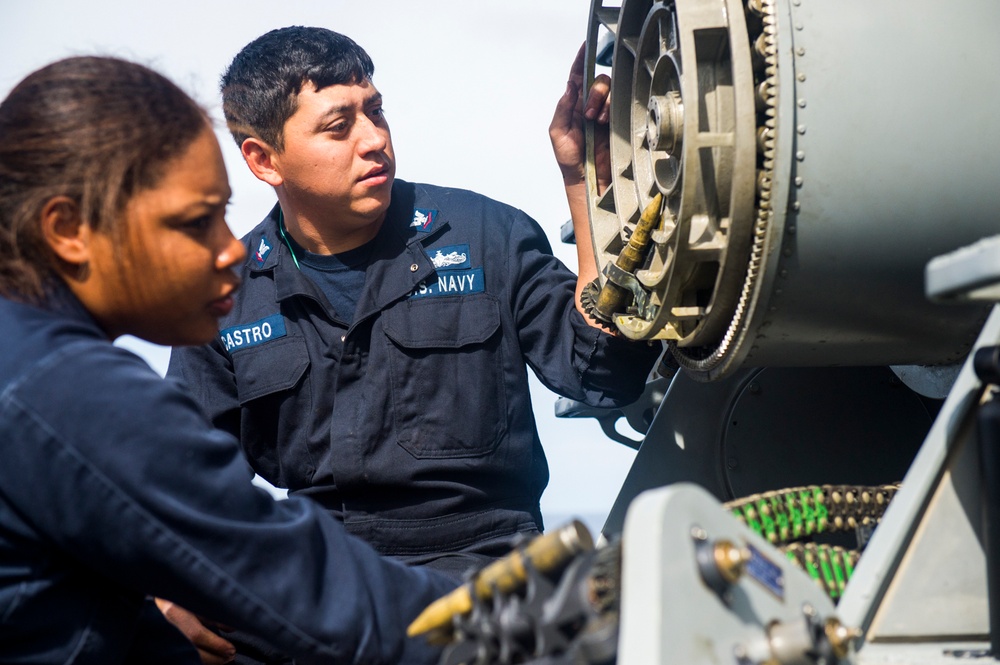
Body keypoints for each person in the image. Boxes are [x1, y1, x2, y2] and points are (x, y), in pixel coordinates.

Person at [165, 26, 660, 661]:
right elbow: (189, 485)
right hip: (317, 583)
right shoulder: (225, 296)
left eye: (376, 111)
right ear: (264, 160)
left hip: (492, 574)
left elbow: (602, 371)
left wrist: (586, 187)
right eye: (338, 126)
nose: (374, 139)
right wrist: (168, 590)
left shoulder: (488, 235)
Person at [0, 55, 456, 665]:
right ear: (68, 230)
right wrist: (542, 619)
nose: (229, 252)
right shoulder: (69, 391)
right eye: (196, 222)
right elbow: (302, 585)